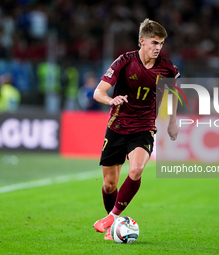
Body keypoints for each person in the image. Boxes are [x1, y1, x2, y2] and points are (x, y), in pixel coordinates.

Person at [92, 18, 180, 240]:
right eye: (153, 42)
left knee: (136, 170)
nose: (157, 47)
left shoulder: (167, 68)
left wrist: (172, 120)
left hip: (144, 126)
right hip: (118, 125)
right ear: (141, 41)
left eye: (160, 43)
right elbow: (98, 92)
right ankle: (113, 225)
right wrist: (110, 101)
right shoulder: (124, 61)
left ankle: (112, 218)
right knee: (110, 184)